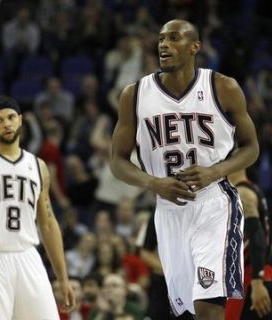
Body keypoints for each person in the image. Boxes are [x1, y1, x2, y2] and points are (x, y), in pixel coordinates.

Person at [110, 19, 259, 320]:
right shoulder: (135, 95)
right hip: (168, 210)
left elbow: (251, 147)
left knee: (208, 308)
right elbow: (118, 161)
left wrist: (215, 171)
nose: (163, 44)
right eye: (161, 38)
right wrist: (153, 183)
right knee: (185, 313)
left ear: (195, 47)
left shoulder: (223, 87)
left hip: (213, 205)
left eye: (174, 38)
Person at [0, 95, 75, 319]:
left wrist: (63, 278)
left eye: (11, 117)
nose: (6, 123)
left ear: (20, 120)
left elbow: (48, 223)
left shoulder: (38, 166)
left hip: (28, 256)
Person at [225, 168, 272, 319]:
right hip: (261, 274)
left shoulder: (242, 192)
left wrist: (257, 281)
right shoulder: (251, 189)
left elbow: (257, 236)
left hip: (252, 279)